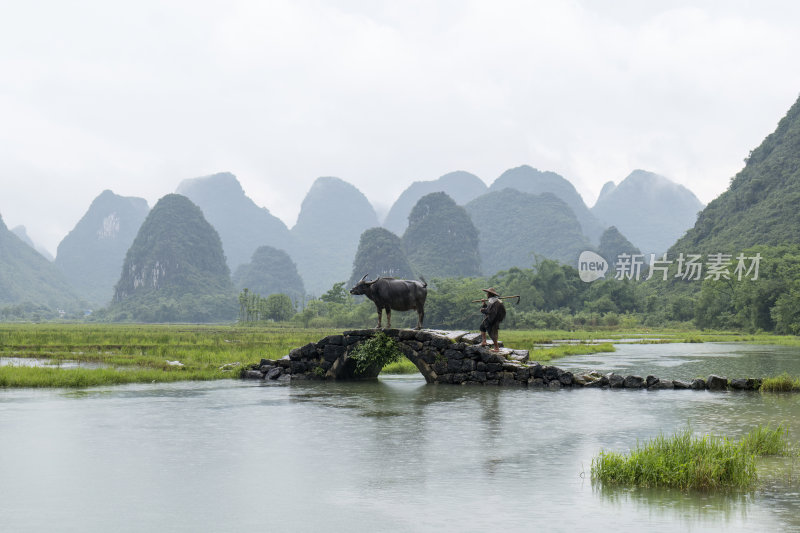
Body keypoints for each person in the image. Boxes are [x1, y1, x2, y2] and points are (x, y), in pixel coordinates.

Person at [479, 287, 506, 351]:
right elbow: (489, 309)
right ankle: (484, 341)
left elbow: (490, 311)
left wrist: (483, 310)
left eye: (487, 293)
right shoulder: (493, 300)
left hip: (493, 320)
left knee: (492, 332)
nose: (486, 294)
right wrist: (484, 304)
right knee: (482, 327)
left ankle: (496, 348)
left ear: (490, 294)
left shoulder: (494, 301)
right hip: (492, 318)